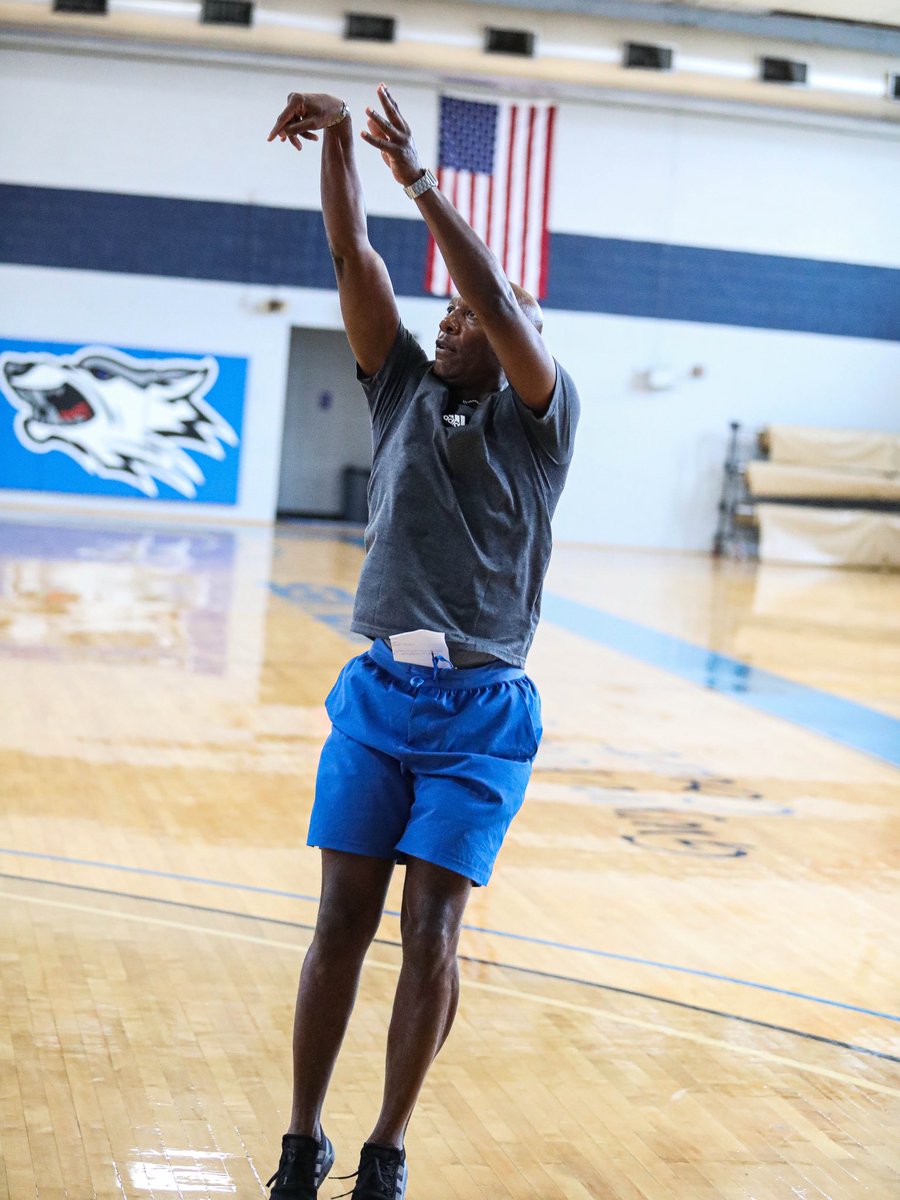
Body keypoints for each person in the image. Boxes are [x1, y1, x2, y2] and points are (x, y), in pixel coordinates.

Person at [264, 84, 579, 1200]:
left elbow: (494, 293)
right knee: (339, 916)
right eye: (439, 317)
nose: (449, 322)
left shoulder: (541, 423)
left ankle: (388, 1144)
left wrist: (425, 185)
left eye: (468, 322)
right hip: (381, 694)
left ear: (510, 345)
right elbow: (352, 255)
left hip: (484, 711)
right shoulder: (401, 391)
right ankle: (303, 1139)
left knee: (431, 928)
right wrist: (344, 141)